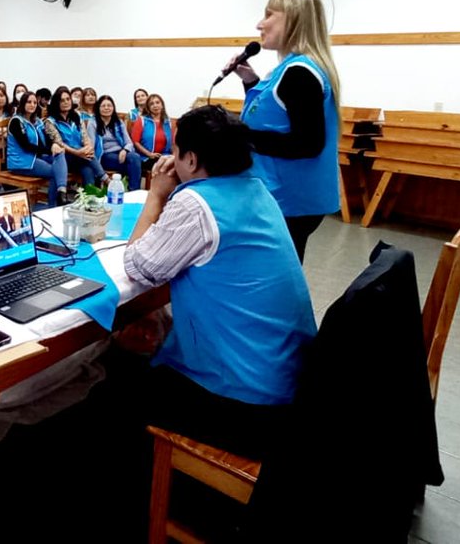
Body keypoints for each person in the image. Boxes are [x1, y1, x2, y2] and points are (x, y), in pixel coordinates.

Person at [123, 105, 316, 459]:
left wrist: (156, 195)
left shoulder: (197, 203)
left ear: (191, 160)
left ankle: (152, 484)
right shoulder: (258, 190)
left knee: (122, 383)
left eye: (177, 152)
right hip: (289, 381)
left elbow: (138, 265)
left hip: (244, 402)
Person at [230, 0, 342, 262]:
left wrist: (239, 135)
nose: (260, 23)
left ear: (293, 19)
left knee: (272, 276)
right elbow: (273, 115)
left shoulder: (299, 74)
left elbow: (308, 143)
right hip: (286, 197)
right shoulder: (292, 70)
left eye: (269, 15)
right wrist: (250, 82)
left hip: (288, 200)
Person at [6, 91, 69, 204]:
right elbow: (26, 146)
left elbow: (47, 140)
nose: (32, 105)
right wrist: (49, 150)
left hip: (36, 157)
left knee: (60, 153)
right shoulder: (16, 121)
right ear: (23, 104)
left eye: (35, 102)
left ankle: (61, 192)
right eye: (29, 102)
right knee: (56, 171)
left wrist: (54, 145)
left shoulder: (37, 121)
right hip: (22, 161)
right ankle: (55, 205)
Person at [46, 86, 104, 187]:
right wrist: (78, 152)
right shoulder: (50, 121)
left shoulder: (76, 117)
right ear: (57, 103)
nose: (66, 102)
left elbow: (85, 136)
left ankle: (88, 200)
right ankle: (106, 179)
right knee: (86, 159)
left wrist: (88, 147)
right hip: (64, 158)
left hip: (81, 157)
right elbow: (59, 143)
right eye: (62, 100)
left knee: (88, 170)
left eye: (68, 99)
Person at [88, 95, 143, 190]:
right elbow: (91, 146)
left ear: (113, 108)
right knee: (134, 167)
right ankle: (133, 191)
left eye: (109, 105)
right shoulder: (93, 122)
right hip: (104, 155)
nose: (106, 108)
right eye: (103, 106)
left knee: (135, 157)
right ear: (98, 108)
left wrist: (125, 150)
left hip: (121, 153)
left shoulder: (118, 122)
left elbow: (129, 142)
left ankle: (133, 191)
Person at [130, 93, 174, 161]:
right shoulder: (141, 120)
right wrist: (149, 154)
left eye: (157, 102)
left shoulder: (168, 122)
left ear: (162, 105)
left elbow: (173, 143)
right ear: (148, 107)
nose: (155, 105)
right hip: (145, 157)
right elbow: (135, 142)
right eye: (151, 104)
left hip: (165, 156)